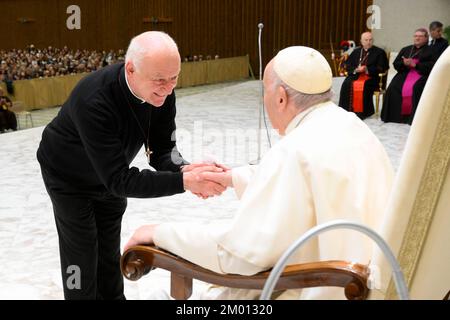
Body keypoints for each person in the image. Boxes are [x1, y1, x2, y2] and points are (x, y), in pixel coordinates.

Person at [125, 46, 394, 300]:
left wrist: (159, 233)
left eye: (264, 91)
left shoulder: (293, 150)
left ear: (280, 97)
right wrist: (233, 177)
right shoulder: (350, 126)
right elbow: (307, 182)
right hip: (365, 279)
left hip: (325, 287)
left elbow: (239, 254)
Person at [36, 31, 227, 300]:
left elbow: (162, 150)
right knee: (80, 253)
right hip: (69, 177)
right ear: (131, 69)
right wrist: (184, 182)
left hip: (112, 171)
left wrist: (187, 169)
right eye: (160, 80)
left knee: (109, 250)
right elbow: (119, 180)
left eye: (174, 79)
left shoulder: (162, 92)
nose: (168, 88)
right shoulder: (94, 99)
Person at [381, 28, 434, 124]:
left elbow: (433, 66)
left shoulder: (432, 51)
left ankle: (411, 119)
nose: (417, 38)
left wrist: (416, 65)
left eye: (420, 36)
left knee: (416, 88)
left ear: (426, 38)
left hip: (421, 74)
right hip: (405, 73)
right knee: (393, 87)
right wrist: (403, 63)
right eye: (415, 36)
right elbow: (396, 64)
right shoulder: (406, 49)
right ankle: (394, 117)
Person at [338, 32, 389, 119]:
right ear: (361, 41)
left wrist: (367, 70)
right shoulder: (356, 51)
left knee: (364, 85)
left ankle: (362, 113)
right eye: (366, 40)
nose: (368, 42)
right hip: (356, 75)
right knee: (347, 83)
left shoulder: (380, 52)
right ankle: (346, 111)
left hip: (372, 77)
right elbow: (348, 65)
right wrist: (356, 69)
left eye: (370, 40)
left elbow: (382, 67)